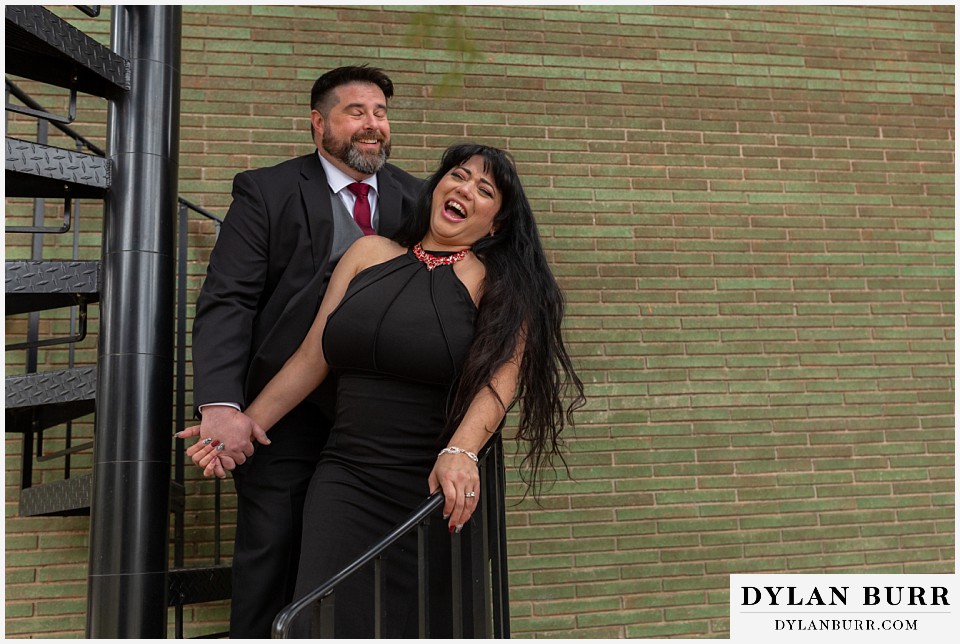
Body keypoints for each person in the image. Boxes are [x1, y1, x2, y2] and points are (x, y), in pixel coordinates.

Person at [187, 143, 585, 637]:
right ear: (437, 186)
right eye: (457, 176)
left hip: (431, 485)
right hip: (345, 477)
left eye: (484, 190)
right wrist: (246, 425)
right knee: (323, 619)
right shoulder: (368, 253)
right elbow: (313, 357)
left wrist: (462, 451)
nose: (465, 189)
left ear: (496, 223)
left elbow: (499, 382)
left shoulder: (501, 282)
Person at [186, 65, 423, 637]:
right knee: (273, 550)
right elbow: (229, 300)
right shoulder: (266, 190)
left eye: (381, 113)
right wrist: (220, 402)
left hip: (374, 419)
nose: (373, 125)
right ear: (318, 123)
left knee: (362, 563)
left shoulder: (416, 198)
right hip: (281, 417)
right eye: (356, 112)